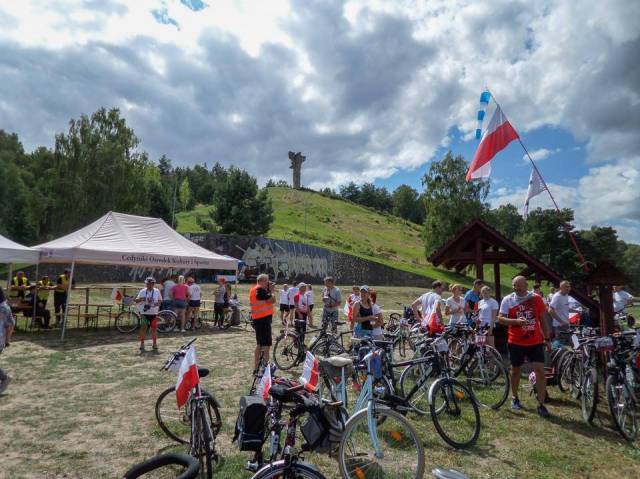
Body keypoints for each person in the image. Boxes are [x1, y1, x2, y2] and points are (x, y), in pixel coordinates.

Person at [498, 275, 552, 417]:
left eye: (519, 285)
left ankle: (541, 404)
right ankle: (515, 397)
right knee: (515, 370)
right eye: (514, 285)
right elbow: (500, 319)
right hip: (515, 342)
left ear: (526, 285)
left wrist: (547, 338)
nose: (516, 288)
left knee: (540, 371)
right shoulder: (508, 299)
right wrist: (515, 321)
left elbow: (543, 319)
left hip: (535, 342)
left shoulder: (536, 298)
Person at [249, 274, 276, 369]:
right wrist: (272, 291)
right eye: (266, 281)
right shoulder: (259, 289)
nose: (268, 283)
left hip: (258, 319)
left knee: (260, 344)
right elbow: (272, 300)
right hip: (263, 320)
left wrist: (268, 290)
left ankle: (257, 368)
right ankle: (265, 368)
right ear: (261, 281)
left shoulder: (255, 289)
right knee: (266, 346)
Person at [135, 277, 162, 353]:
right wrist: (141, 299)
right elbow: (136, 300)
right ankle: (142, 343)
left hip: (154, 313)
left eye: (151, 283)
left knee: (154, 329)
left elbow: (160, 301)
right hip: (144, 313)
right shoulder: (142, 291)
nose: (149, 285)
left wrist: (156, 304)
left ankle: (154, 343)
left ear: (153, 284)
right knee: (143, 328)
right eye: (147, 284)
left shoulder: (157, 291)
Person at [0, 288, 14, 395]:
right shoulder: (5, 306)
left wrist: (8, 340)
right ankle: (5, 378)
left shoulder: (3, 307)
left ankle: (5, 378)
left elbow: (10, 324)